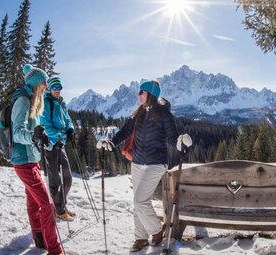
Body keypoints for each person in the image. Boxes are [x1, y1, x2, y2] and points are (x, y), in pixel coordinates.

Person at [97, 80, 192, 252]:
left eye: (141, 92)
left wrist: (181, 142)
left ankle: (156, 231)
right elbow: (124, 131)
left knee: (140, 201)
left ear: (150, 94)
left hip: (156, 163)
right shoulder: (138, 113)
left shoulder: (164, 114)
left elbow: (172, 138)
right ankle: (140, 238)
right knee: (139, 202)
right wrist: (110, 143)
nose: (138, 95)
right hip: (138, 162)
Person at [11, 64, 63, 255]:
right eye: (44, 82)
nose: (46, 86)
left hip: (31, 160)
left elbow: (38, 136)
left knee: (34, 204)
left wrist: (51, 144)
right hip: (23, 162)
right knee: (47, 206)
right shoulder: (23, 102)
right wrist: (34, 136)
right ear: (35, 83)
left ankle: (40, 240)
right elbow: (18, 134)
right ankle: (55, 250)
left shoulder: (34, 101)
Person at [40, 76, 76, 221]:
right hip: (50, 145)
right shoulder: (46, 102)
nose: (57, 90)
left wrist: (70, 129)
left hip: (61, 144)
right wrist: (60, 135)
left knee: (68, 177)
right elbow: (45, 125)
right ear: (50, 88)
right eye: (55, 88)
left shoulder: (62, 102)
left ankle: (61, 205)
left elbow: (67, 119)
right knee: (55, 180)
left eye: (59, 88)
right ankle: (59, 211)